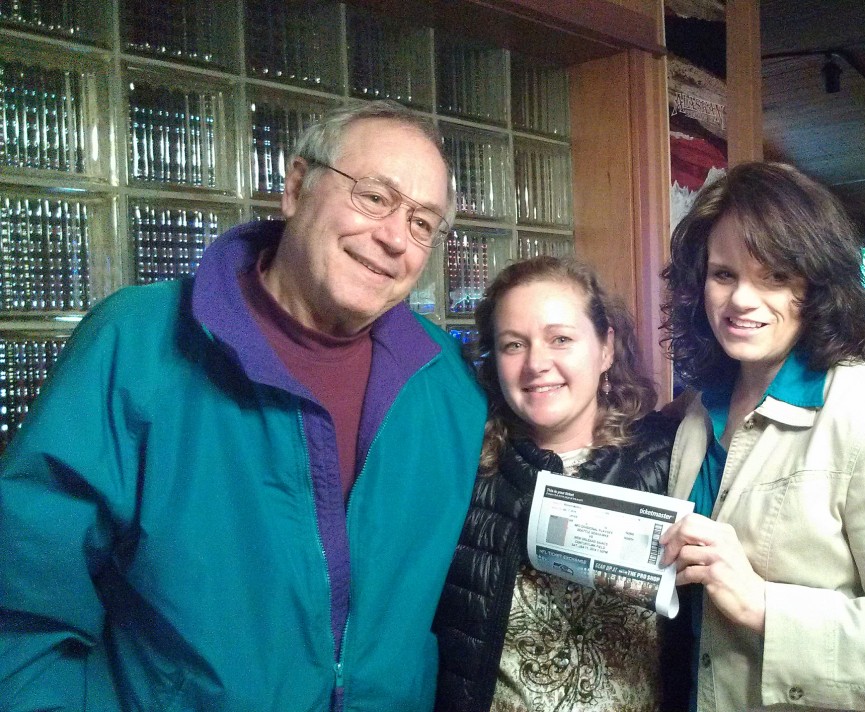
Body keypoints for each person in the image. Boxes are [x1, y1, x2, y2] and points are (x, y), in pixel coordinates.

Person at [0, 101, 487, 711]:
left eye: (423, 223)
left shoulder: (445, 383)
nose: (395, 237)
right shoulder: (138, 342)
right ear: (296, 188)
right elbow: (23, 604)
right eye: (373, 196)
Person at [658, 162, 865, 711]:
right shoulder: (701, 409)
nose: (742, 299)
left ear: (818, 287)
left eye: (774, 277)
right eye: (724, 274)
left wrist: (763, 605)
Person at [433, 256, 678, 712]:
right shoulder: (464, 474)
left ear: (606, 349)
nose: (536, 364)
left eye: (560, 339)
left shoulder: (671, 462)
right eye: (513, 345)